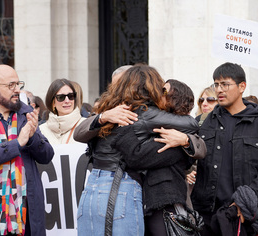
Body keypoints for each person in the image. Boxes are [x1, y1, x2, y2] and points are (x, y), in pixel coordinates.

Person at [74, 65, 199, 236]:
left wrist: (102, 116)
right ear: (150, 86)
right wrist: (184, 138)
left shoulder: (112, 108)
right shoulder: (144, 112)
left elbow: (78, 133)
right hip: (120, 186)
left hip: (92, 187)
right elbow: (191, 124)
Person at [189, 62, 258, 235]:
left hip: (244, 215)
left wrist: (245, 198)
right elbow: (188, 161)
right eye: (216, 84)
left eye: (225, 84)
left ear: (242, 87)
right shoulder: (202, 122)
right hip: (205, 216)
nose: (219, 90)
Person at [112, 79, 206, 236]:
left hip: (164, 204)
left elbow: (136, 157)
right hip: (147, 204)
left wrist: (123, 131)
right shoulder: (160, 127)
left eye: (164, 91)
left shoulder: (175, 136)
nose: (157, 93)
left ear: (177, 99)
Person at [0, 64, 54, 235]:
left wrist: (33, 137)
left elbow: (47, 156)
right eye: (10, 85)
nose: (17, 90)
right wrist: (17, 144)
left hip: (26, 216)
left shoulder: (26, 113)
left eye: (18, 84)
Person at [39, 78, 86, 144]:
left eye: (71, 96)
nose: (67, 101)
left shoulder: (85, 126)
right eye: (61, 97)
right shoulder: (42, 130)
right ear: (53, 103)